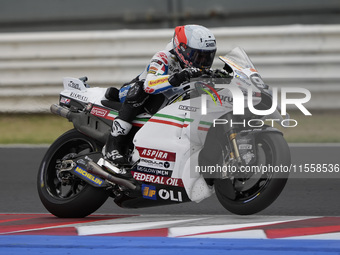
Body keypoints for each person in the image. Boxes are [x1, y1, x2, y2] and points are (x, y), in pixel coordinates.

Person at [103, 24, 217, 166]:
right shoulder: (164, 57)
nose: (203, 63)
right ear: (182, 49)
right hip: (131, 92)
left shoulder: (194, 67)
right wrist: (178, 77)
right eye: (199, 57)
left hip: (166, 99)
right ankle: (113, 144)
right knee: (139, 90)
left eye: (207, 57)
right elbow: (149, 85)